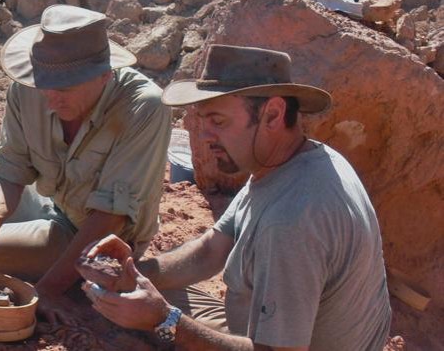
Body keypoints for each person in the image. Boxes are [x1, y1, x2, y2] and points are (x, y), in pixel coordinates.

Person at [80, 45, 391, 350]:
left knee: (155, 312)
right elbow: (210, 251)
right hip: (277, 330)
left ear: (272, 114)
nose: (204, 136)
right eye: (202, 121)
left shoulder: (291, 223)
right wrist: (131, 273)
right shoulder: (296, 161)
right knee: (150, 293)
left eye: (218, 122)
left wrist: (166, 321)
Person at [0, 5, 172, 324]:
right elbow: (9, 166)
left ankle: (58, 269)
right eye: (43, 82)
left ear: (105, 75)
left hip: (89, 233)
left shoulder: (144, 108)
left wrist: (45, 291)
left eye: (63, 88)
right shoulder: (30, 87)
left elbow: (110, 218)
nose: (49, 96)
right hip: (48, 197)